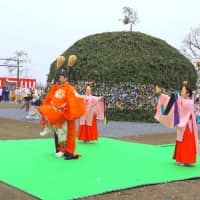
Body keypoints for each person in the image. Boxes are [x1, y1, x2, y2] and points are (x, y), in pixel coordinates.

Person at [38, 55, 85, 160]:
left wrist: (66, 109)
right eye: (59, 76)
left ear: (66, 78)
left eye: (62, 76)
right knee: (57, 133)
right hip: (57, 114)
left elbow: (75, 99)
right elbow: (50, 98)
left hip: (65, 114)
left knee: (68, 133)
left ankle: (68, 151)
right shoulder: (56, 88)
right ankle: (59, 150)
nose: (60, 78)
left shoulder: (70, 89)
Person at [155, 81, 200, 166]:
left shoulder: (189, 102)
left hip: (187, 124)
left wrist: (176, 96)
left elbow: (179, 101)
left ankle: (186, 159)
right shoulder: (183, 100)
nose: (181, 92)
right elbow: (173, 99)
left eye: (183, 91)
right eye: (181, 91)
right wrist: (162, 95)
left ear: (187, 94)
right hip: (182, 123)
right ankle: (180, 158)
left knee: (186, 141)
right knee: (180, 140)